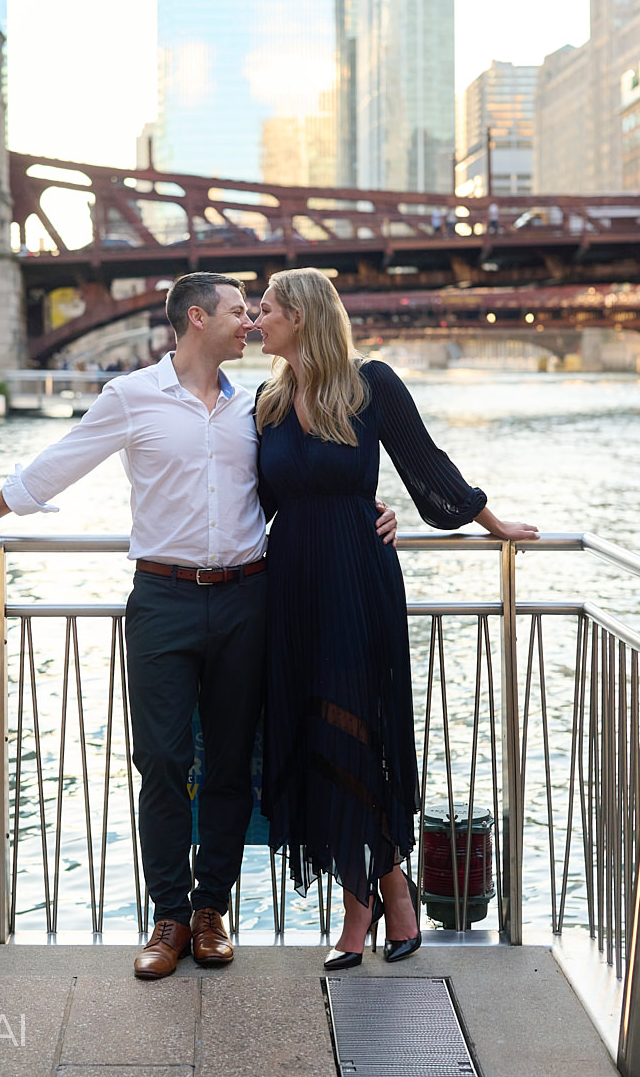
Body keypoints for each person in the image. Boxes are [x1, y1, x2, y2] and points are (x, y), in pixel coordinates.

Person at [0, 269, 398, 978]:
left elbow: (308, 478)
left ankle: (211, 914)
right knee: (162, 761)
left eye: (256, 312)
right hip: (162, 599)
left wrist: (370, 515)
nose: (252, 322)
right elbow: (53, 468)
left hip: (248, 598)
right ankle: (168, 916)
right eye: (240, 311)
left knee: (231, 765)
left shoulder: (258, 406)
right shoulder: (131, 395)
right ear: (198, 319)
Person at [253, 267, 538, 970]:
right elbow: (244, 498)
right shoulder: (266, 400)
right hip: (290, 586)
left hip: (357, 577)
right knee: (315, 735)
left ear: (302, 316)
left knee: (359, 730)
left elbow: (424, 465)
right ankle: (385, 890)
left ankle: (367, 909)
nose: (257, 318)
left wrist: (491, 521)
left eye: (268, 308)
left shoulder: (371, 383)